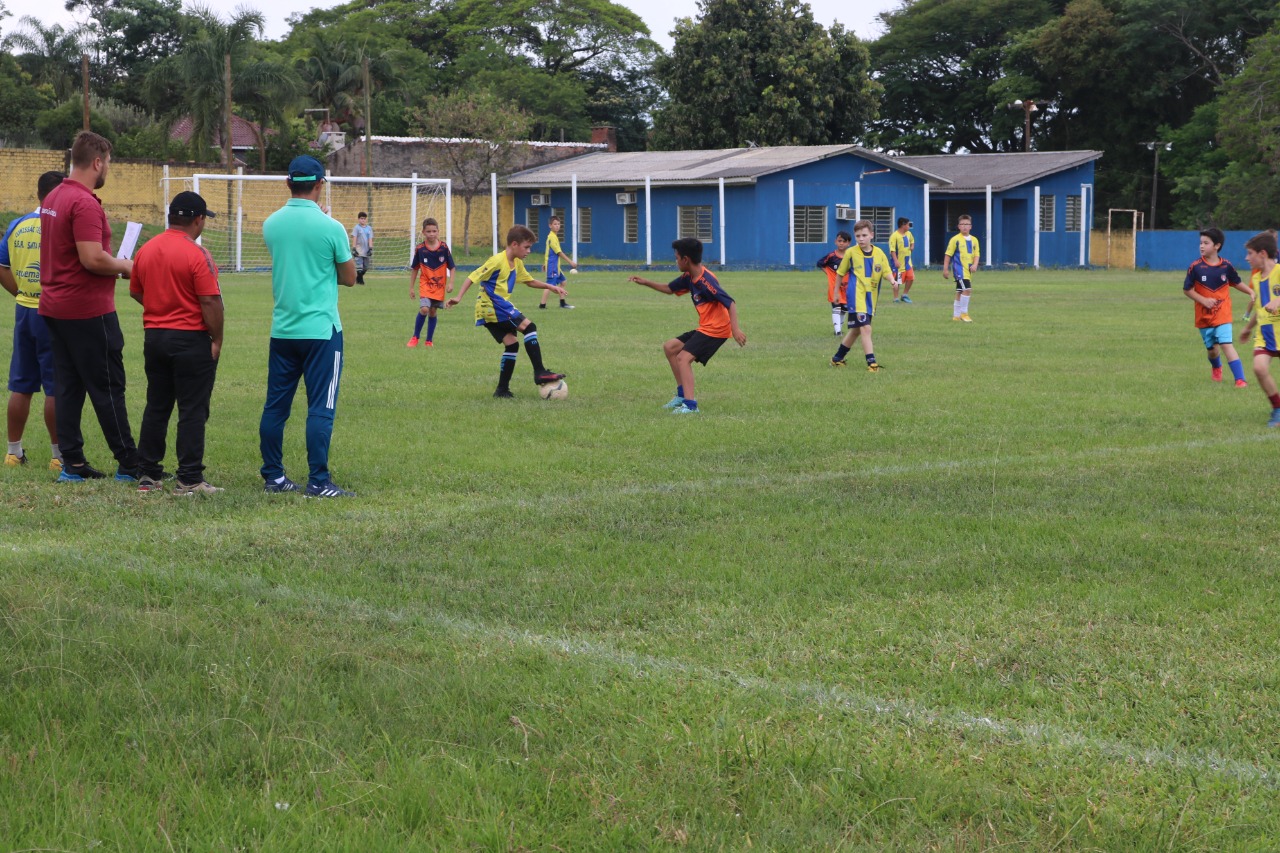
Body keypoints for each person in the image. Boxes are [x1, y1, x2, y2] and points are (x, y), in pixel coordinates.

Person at [38, 131, 140, 482]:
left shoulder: (55, 195)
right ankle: (129, 462)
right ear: (97, 162)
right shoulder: (83, 203)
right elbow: (92, 259)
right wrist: (127, 265)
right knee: (108, 384)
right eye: (108, 162)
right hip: (87, 309)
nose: (108, 168)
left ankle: (73, 463)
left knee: (68, 384)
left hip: (55, 306)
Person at [259, 155, 357, 497]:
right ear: (320, 185)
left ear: (288, 183)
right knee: (321, 407)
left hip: (283, 330)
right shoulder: (332, 228)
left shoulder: (271, 224)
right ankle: (318, 481)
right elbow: (349, 278)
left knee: (275, 407)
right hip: (321, 332)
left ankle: (273, 476)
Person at [128, 191, 225, 495]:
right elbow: (210, 301)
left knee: (157, 404)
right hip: (190, 339)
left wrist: (160, 307)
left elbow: (136, 291)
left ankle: (147, 474)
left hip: (155, 337)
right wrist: (217, 339)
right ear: (198, 220)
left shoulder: (146, 250)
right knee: (192, 409)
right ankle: (189, 478)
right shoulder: (198, 254)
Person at [628, 237, 747, 414]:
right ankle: (682, 396)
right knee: (670, 348)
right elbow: (670, 289)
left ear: (686, 259)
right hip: (706, 327)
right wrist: (646, 282)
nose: (675, 261)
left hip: (717, 330)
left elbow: (730, 303)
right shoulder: (689, 277)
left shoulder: (706, 281)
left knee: (683, 358)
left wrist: (735, 329)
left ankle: (691, 406)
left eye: (676, 258)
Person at [446, 225, 567, 398]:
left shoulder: (516, 263)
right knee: (529, 327)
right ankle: (539, 372)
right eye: (526, 247)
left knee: (512, 344)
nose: (529, 251)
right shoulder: (497, 261)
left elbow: (529, 281)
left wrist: (550, 286)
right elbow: (473, 276)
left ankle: (502, 390)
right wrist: (458, 297)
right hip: (492, 305)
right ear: (514, 244)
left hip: (491, 309)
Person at [1, 171, 63, 471]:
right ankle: (58, 455)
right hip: (52, 314)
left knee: (21, 385)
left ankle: (13, 453)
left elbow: (2, 266)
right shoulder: (60, 226)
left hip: (24, 311)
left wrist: (22, 291)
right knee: (56, 387)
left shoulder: (17, 225)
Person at [1184, 227, 1251, 387]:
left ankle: (1240, 379)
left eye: (1206, 243)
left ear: (1217, 246)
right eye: (1200, 243)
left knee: (1226, 344)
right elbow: (1187, 290)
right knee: (1212, 350)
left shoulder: (1226, 266)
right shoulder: (1195, 267)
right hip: (1204, 316)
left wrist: (1250, 291)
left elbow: (1236, 282)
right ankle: (1216, 367)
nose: (1201, 246)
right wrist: (1203, 300)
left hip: (1223, 313)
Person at [830, 219, 897, 372]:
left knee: (856, 330)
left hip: (870, 298)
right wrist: (836, 293)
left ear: (871, 235)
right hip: (855, 296)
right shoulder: (851, 253)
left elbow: (886, 271)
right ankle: (871, 363)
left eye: (864, 235)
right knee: (866, 328)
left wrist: (892, 280)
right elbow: (840, 273)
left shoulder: (879, 253)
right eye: (858, 236)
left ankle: (837, 358)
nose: (861, 239)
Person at [1238, 230, 1280, 427]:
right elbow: (1260, 308)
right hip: (1265, 334)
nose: (1247, 258)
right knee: (1259, 368)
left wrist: (1278, 299)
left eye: (1250, 254)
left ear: (1262, 254)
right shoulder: (1255, 279)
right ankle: (1277, 409)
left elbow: (1273, 300)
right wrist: (1247, 328)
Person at [407, 217, 454, 348]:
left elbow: (452, 267)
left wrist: (451, 283)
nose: (431, 234)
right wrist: (411, 287)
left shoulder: (444, 247)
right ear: (423, 232)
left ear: (438, 232)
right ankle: (415, 337)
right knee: (424, 309)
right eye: (429, 231)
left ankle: (429, 341)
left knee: (433, 312)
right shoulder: (420, 249)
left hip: (439, 286)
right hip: (425, 285)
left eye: (434, 231)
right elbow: (415, 268)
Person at [943, 214, 980, 322]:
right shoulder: (955, 239)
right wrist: (945, 269)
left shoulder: (974, 240)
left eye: (967, 224)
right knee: (967, 289)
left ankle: (956, 316)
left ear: (971, 226)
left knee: (960, 291)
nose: (964, 226)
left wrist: (975, 265)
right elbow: (948, 254)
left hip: (968, 271)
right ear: (958, 226)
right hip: (959, 270)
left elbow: (977, 254)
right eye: (962, 224)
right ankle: (964, 313)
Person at [538, 214, 577, 309]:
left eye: (559, 224)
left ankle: (562, 303)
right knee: (549, 285)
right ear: (550, 225)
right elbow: (558, 252)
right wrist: (570, 262)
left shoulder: (554, 236)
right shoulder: (551, 237)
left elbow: (548, 251)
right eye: (555, 224)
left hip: (555, 266)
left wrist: (544, 263)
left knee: (563, 282)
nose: (557, 226)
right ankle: (542, 305)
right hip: (552, 266)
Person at [815, 231, 850, 335]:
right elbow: (819, 264)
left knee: (844, 308)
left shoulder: (850, 257)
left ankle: (839, 328)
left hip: (846, 287)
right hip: (834, 287)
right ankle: (838, 331)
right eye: (839, 241)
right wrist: (829, 274)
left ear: (849, 243)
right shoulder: (831, 256)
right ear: (835, 242)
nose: (841, 243)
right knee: (836, 306)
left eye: (844, 241)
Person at [888, 217, 916, 303]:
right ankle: (895, 298)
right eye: (908, 224)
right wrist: (896, 261)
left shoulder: (909, 234)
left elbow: (912, 241)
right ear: (903, 225)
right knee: (897, 280)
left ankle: (904, 295)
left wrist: (912, 246)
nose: (909, 226)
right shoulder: (894, 236)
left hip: (908, 262)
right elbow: (892, 250)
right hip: (899, 262)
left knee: (911, 278)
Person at [351, 212, 372, 285]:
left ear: (366, 219)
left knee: (365, 268)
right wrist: (354, 248)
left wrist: (370, 248)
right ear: (358, 219)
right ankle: (361, 282)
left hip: (366, 251)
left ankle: (357, 278)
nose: (363, 220)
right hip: (359, 250)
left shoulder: (369, 228)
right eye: (361, 218)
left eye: (364, 219)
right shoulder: (356, 228)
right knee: (359, 267)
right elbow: (354, 238)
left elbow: (370, 239)